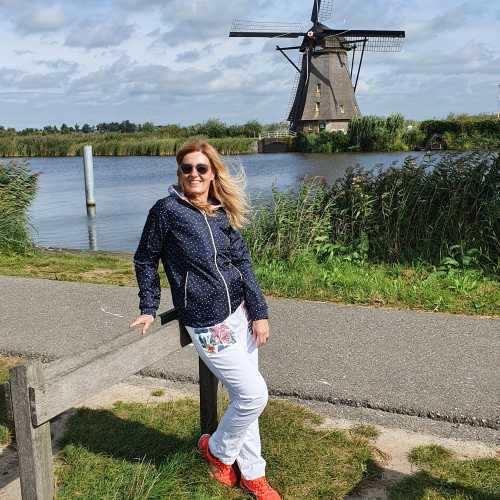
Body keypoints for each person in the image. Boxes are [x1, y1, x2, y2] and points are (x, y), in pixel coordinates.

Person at [130, 140, 281, 500]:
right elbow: (144, 260)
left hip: (240, 316)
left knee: (247, 400)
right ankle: (217, 450)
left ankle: (253, 475)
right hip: (206, 322)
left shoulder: (220, 212)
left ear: (213, 173)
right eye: (187, 168)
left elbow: (242, 264)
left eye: (202, 168)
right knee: (254, 394)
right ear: (179, 173)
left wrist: (258, 312)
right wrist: (149, 306)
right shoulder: (166, 211)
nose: (194, 174)